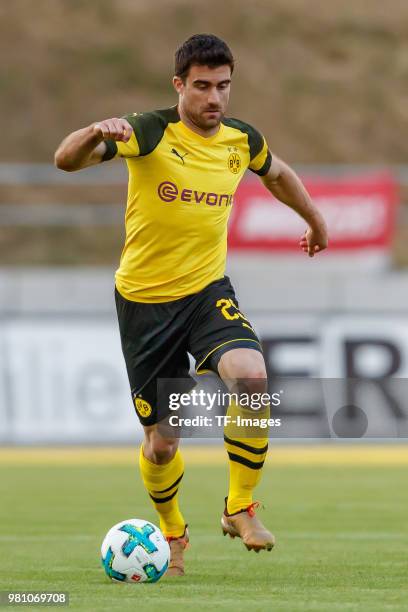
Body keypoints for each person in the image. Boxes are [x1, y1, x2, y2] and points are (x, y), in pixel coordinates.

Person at [54, 33, 328, 576]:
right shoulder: (151, 131)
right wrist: (93, 132)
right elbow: (65, 161)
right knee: (161, 445)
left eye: (223, 86)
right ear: (179, 85)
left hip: (206, 293)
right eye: (202, 86)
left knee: (251, 376)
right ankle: (174, 534)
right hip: (145, 305)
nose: (215, 99)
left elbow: (278, 173)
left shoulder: (239, 139)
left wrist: (315, 221)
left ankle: (240, 507)